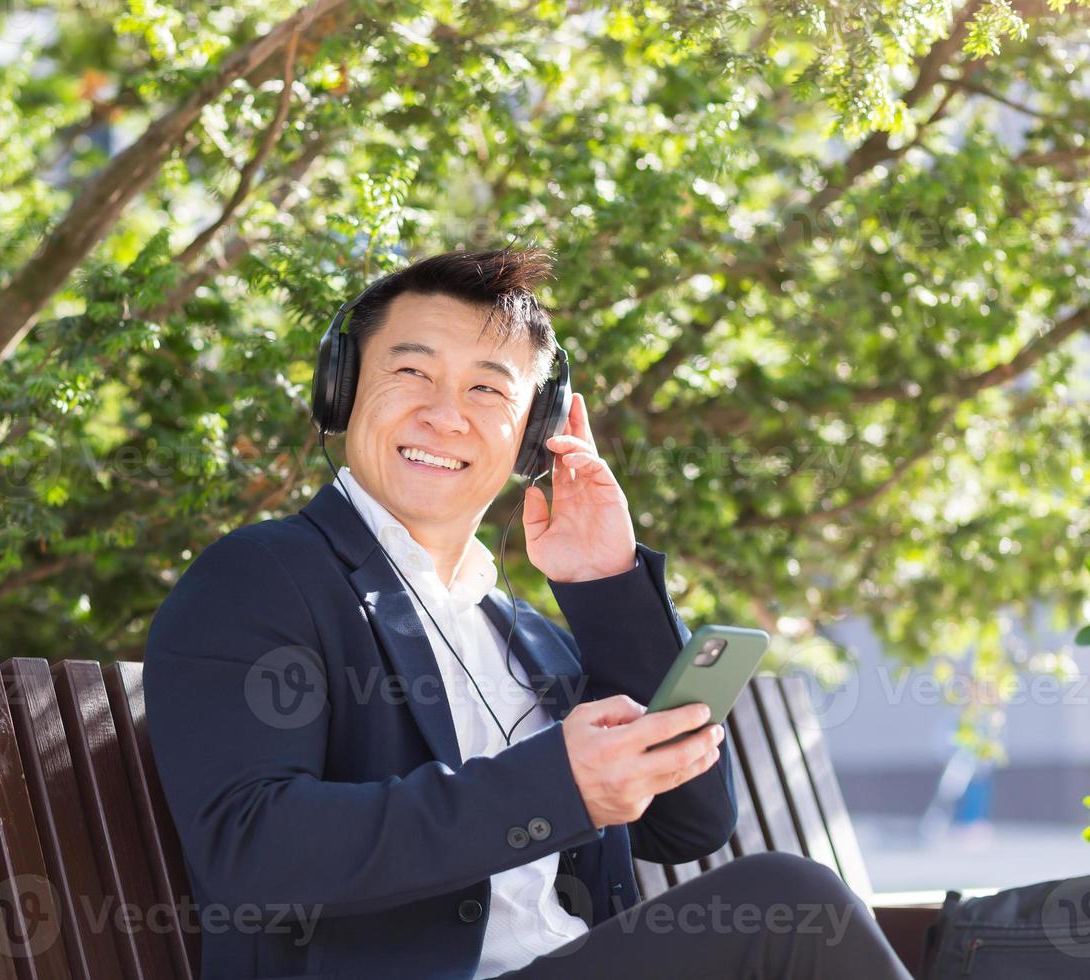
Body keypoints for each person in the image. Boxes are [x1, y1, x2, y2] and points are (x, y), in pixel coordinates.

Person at [143, 247, 912, 979]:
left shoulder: (526, 637)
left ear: (532, 434)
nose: (446, 416)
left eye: (488, 389)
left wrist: (606, 583)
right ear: (342, 392)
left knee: (800, 915)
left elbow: (688, 824)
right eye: (411, 371)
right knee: (792, 905)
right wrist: (552, 787)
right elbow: (253, 851)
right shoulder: (261, 577)